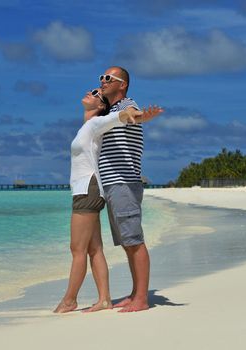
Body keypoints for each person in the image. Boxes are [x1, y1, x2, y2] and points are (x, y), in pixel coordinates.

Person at [54, 88, 163, 313]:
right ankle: (104, 299)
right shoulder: (90, 127)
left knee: (77, 248)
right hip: (87, 188)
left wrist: (139, 115)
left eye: (95, 93)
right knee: (94, 249)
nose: (90, 91)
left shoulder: (96, 123)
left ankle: (69, 300)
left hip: (88, 188)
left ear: (101, 105)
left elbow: (120, 116)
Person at [98, 66, 151, 312]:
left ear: (123, 85)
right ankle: (135, 292)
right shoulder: (109, 110)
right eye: (101, 77)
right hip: (112, 184)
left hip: (123, 182)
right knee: (127, 243)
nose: (102, 81)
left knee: (134, 241)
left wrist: (144, 116)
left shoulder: (126, 104)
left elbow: (135, 115)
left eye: (108, 78)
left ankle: (141, 298)